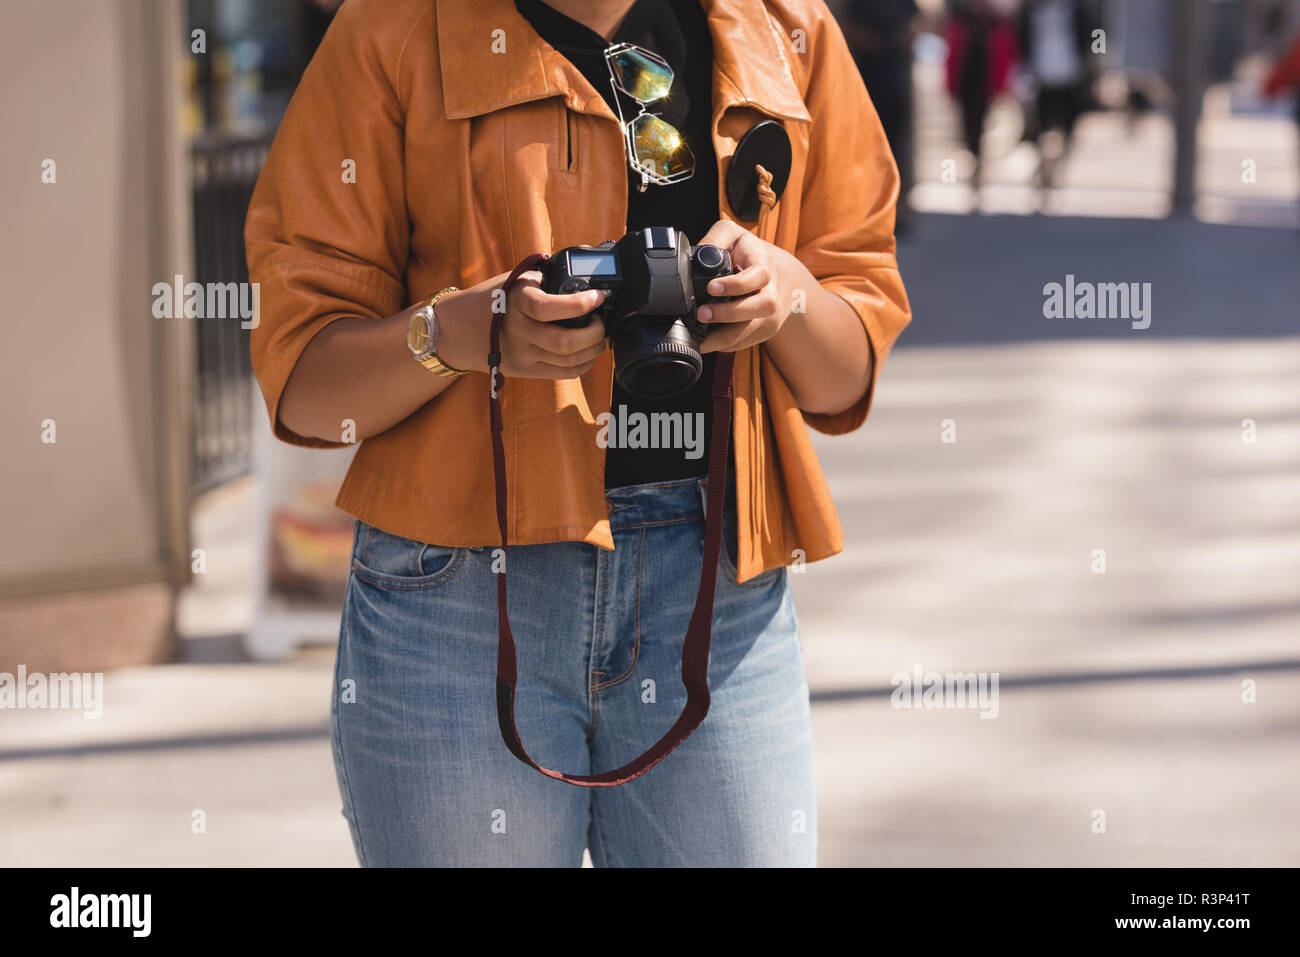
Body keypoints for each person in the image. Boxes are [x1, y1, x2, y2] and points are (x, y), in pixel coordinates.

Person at [245, 0, 910, 867]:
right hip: (458, 596)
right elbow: (304, 384)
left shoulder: (780, 25)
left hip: (716, 584)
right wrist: (464, 331)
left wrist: (784, 295)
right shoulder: (392, 27)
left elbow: (846, 372)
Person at [944, 0, 1019, 191]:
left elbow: (1005, 54)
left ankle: (979, 163)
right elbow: (952, 54)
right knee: (968, 126)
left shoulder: (995, 24)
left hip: (986, 84)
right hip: (966, 84)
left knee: (983, 124)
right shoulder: (961, 22)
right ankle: (974, 161)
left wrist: (1002, 86)